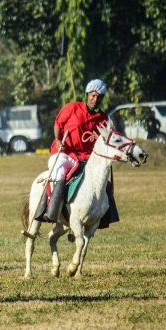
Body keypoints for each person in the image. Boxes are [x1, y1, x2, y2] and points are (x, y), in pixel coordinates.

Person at [40, 78, 109, 223]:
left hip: (86, 159)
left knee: (102, 181)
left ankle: (103, 217)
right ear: (87, 95)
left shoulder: (103, 118)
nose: (95, 99)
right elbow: (58, 124)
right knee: (60, 172)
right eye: (93, 95)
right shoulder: (72, 108)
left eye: (99, 97)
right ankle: (51, 210)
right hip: (65, 154)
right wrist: (58, 140)